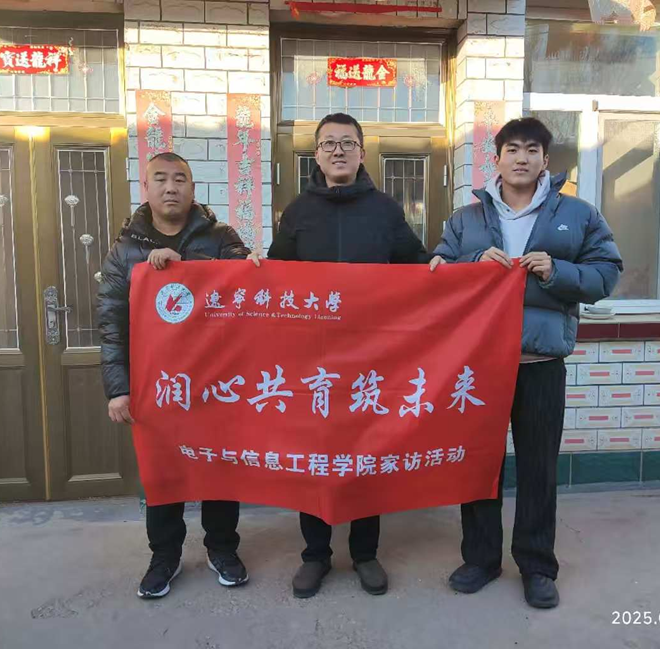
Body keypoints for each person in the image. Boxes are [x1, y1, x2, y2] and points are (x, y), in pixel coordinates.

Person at [430, 117, 622, 609]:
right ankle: (481, 559)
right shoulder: (467, 219)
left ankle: (537, 566)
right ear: (496, 158)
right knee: (479, 465)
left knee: (538, 467)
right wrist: (472, 266)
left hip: (540, 362)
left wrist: (557, 270)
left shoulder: (577, 214)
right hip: (479, 366)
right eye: (512, 148)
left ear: (545, 160)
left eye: (531, 149)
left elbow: (606, 273)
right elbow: (438, 273)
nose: (521, 157)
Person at [248, 112, 432, 599]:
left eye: (347, 142)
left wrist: (443, 267)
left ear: (362, 153)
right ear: (316, 154)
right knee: (314, 459)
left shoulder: (385, 211)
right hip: (312, 365)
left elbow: (416, 266)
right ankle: (315, 555)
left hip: (371, 361)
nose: (337, 150)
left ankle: (365, 554)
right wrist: (253, 269)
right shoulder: (298, 212)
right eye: (328, 143)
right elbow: (276, 276)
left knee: (365, 457)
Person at [98, 152, 251, 599]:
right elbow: (112, 322)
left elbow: (245, 287)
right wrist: (118, 389)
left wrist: (183, 267)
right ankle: (164, 556)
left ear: (193, 189)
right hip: (157, 386)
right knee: (162, 473)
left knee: (219, 469)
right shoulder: (125, 251)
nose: (171, 187)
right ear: (145, 189)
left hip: (216, 382)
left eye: (180, 179)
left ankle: (222, 549)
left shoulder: (221, 237)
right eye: (161, 179)